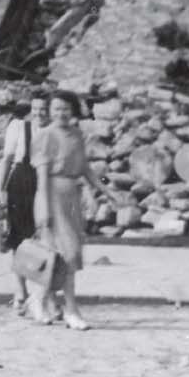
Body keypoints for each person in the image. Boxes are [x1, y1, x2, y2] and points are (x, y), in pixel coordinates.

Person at [33, 89, 126, 331]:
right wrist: (43, 209)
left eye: (65, 108)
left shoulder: (76, 134)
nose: (61, 113)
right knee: (68, 255)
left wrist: (107, 189)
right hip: (51, 195)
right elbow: (41, 177)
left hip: (71, 198)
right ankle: (71, 310)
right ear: (49, 111)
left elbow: (86, 168)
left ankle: (44, 300)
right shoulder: (45, 136)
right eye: (56, 109)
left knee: (64, 256)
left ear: (73, 110)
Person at [0, 95, 42, 319]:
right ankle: (21, 291)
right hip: (21, 181)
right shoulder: (19, 127)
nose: (40, 113)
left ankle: (40, 295)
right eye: (36, 109)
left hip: (44, 181)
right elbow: (6, 160)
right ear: (31, 110)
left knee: (43, 239)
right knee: (19, 238)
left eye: (45, 109)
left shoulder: (55, 129)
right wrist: (0, 190)